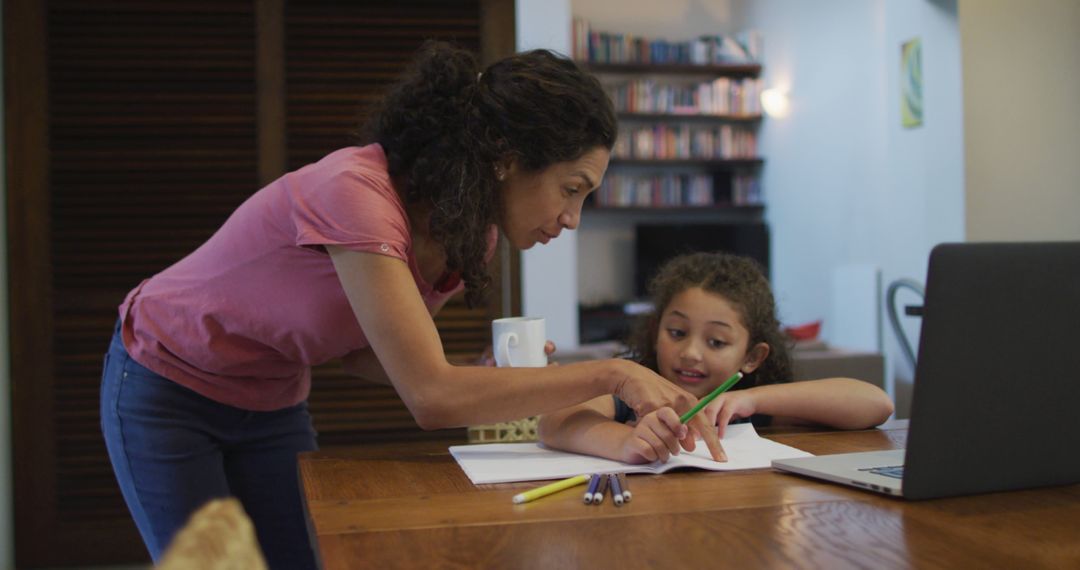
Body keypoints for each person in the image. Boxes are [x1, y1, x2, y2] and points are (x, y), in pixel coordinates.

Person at [100, 41, 724, 569]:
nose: (571, 218)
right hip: (166, 385)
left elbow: (367, 360)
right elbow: (430, 398)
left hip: (271, 397)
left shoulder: (463, 232)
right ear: (507, 159)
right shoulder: (355, 194)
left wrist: (481, 377)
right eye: (571, 189)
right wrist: (613, 372)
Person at [538, 252, 895, 464]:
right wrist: (625, 442)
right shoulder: (634, 388)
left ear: (753, 357)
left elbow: (875, 404)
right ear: (654, 331)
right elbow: (554, 422)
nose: (691, 353)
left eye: (717, 341)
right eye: (676, 333)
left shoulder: (749, 403)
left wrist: (752, 398)